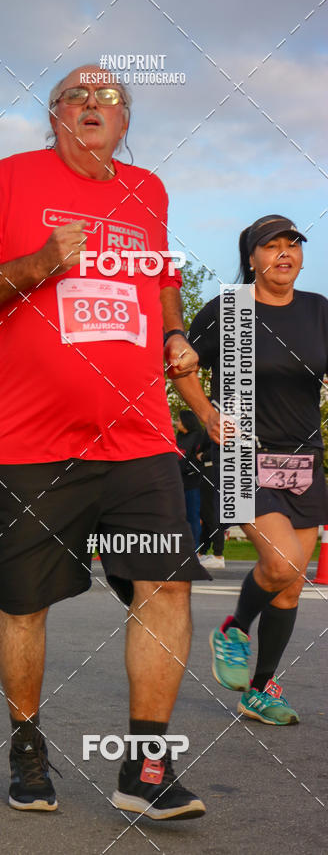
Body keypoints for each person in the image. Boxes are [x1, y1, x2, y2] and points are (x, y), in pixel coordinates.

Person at [0, 64, 210, 819]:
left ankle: (145, 768)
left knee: (166, 585)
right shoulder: (8, 179)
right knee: (25, 604)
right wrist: (37, 264)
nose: (93, 105)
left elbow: (160, 284)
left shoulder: (147, 190)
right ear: (53, 115)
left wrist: (181, 339)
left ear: (126, 123)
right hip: (33, 443)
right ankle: (28, 745)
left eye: (110, 98)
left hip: (140, 437)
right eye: (76, 96)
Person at [174, 214, 328, 725]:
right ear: (252, 259)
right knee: (282, 563)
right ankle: (234, 627)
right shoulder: (229, 311)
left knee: (289, 585)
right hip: (244, 454)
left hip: (304, 459)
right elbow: (180, 363)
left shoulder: (318, 311)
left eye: (292, 246)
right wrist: (205, 413)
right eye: (271, 247)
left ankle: (258, 690)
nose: (284, 254)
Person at [175, 410, 203, 551]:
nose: (177, 423)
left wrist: (189, 469)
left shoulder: (198, 436)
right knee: (179, 517)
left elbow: (198, 457)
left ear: (187, 421)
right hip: (178, 483)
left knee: (192, 515)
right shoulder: (178, 438)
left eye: (179, 420)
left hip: (193, 482)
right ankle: (181, 548)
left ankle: (194, 549)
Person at [198, 430, 225, 568]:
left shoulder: (219, 427)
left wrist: (203, 455)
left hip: (213, 470)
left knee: (211, 514)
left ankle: (218, 554)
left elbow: (221, 448)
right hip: (209, 471)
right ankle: (201, 552)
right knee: (206, 514)